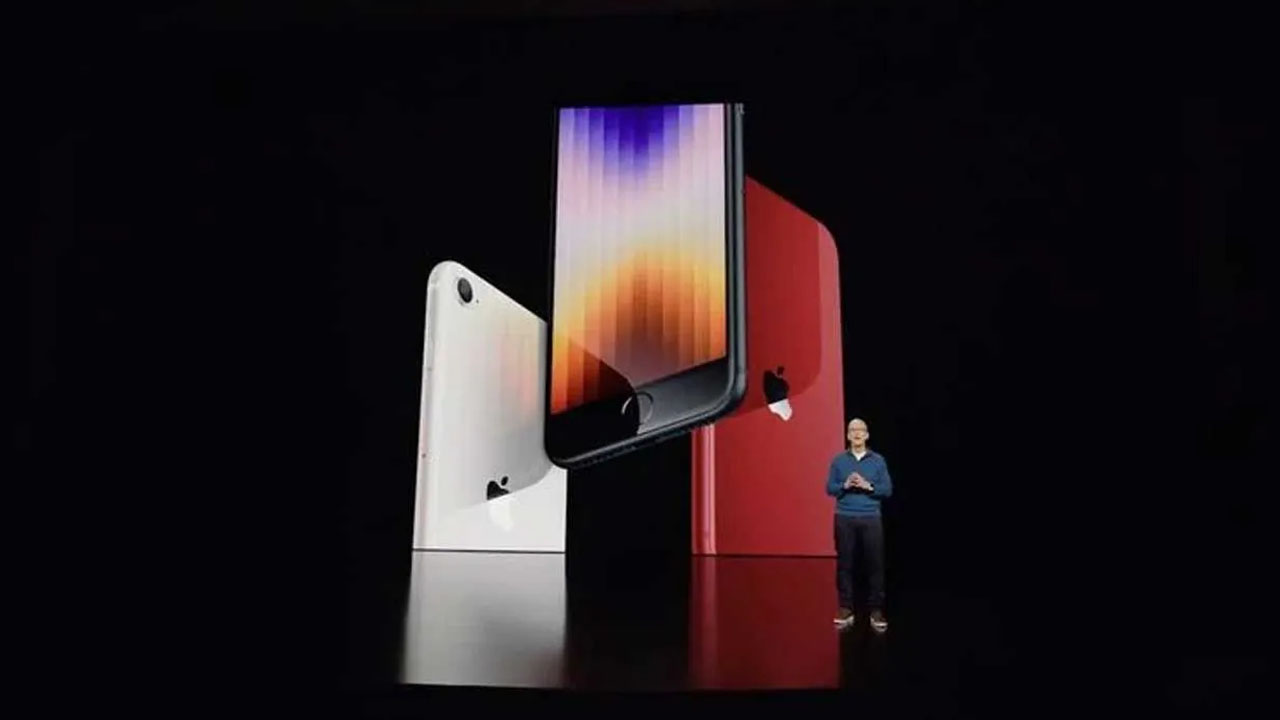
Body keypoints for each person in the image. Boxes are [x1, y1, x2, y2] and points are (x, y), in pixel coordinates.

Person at [826, 418, 893, 632]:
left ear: (866, 435)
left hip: (871, 517)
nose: (856, 433)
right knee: (845, 564)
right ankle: (846, 608)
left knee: (875, 564)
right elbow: (829, 488)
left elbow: (887, 490)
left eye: (860, 430)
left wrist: (868, 486)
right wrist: (844, 485)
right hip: (844, 517)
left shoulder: (878, 461)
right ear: (848, 435)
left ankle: (876, 610)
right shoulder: (838, 461)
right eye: (852, 430)